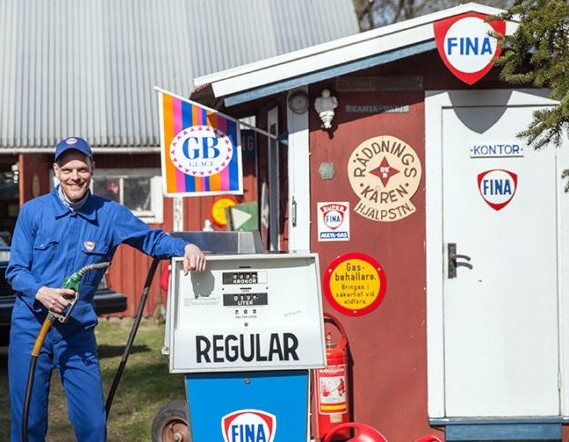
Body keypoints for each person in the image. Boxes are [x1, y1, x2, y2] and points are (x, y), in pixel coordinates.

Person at [6, 136, 207, 442]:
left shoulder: (109, 215)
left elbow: (150, 240)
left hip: (76, 330)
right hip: (31, 327)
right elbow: (16, 271)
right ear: (57, 171)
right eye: (69, 169)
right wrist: (41, 292)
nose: (76, 176)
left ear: (92, 169)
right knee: (28, 423)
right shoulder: (34, 212)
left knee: (93, 425)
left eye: (82, 169)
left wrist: (186, 247)